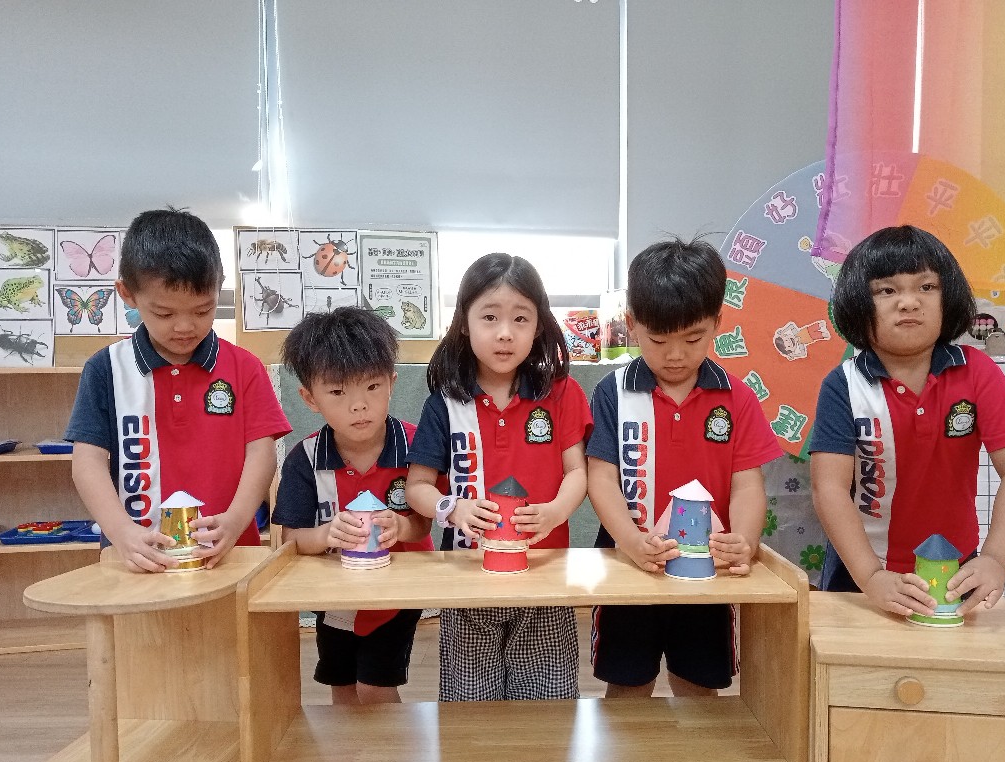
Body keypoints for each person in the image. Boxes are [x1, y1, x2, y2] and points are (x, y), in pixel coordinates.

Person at [810, 225, 1005, 617]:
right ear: (857, 304)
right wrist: (872, 577)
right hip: (861, 572)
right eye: (887, 290)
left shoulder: (977, 372)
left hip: (956, 571)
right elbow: (827, 488)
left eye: (927, 287)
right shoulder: (843, 384)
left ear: (948, 297)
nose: (909, 302)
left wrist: (996, 560)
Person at [586, 237, 783, 698]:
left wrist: (745, 541)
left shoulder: (737, 397)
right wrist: (630, 541)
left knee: (698, 688)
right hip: (630, 564)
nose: (675, 355)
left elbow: (747, 486)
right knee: (627, 687)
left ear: (717, 323)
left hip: (708, 568)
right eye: (658, 340)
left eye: (693, 338)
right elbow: (601, 478)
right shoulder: (613, 392)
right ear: (632, 325)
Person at [404, 253, 593, 701]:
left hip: (545, 575)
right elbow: (417, 488)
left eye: (521, 318)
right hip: (467, 577)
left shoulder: (561, 393)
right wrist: (453, 508)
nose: (505, 333)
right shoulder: (445, 403)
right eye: (489, 317)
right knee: (470, 708)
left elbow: (578, 473)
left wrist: (555, 512)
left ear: (539, 326)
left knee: (547, 704)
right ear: (464, 323)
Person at [66, 208, 291, 572]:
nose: (185, 327)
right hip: (139, 557)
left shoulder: (244, 367)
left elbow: (262, 455)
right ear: (127, 294)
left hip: (226, 555)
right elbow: (87, 461)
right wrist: (122, 531)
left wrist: (235, 521)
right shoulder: (106, 369)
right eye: (165, 314)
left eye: (203, 310)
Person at [273, 307, 435, 704]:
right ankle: (349, 747)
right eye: (338, 392)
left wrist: (402, 527)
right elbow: (291, 538)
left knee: (375, 687)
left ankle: (386, 746)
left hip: (397, 594)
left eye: (372, 387)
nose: (359, 406)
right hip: (334, 594)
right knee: (342, 685)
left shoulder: (417, 446)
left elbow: (424, 524)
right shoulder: (305, 459)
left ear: (392, 383)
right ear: (309, 398)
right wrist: (327, 534)